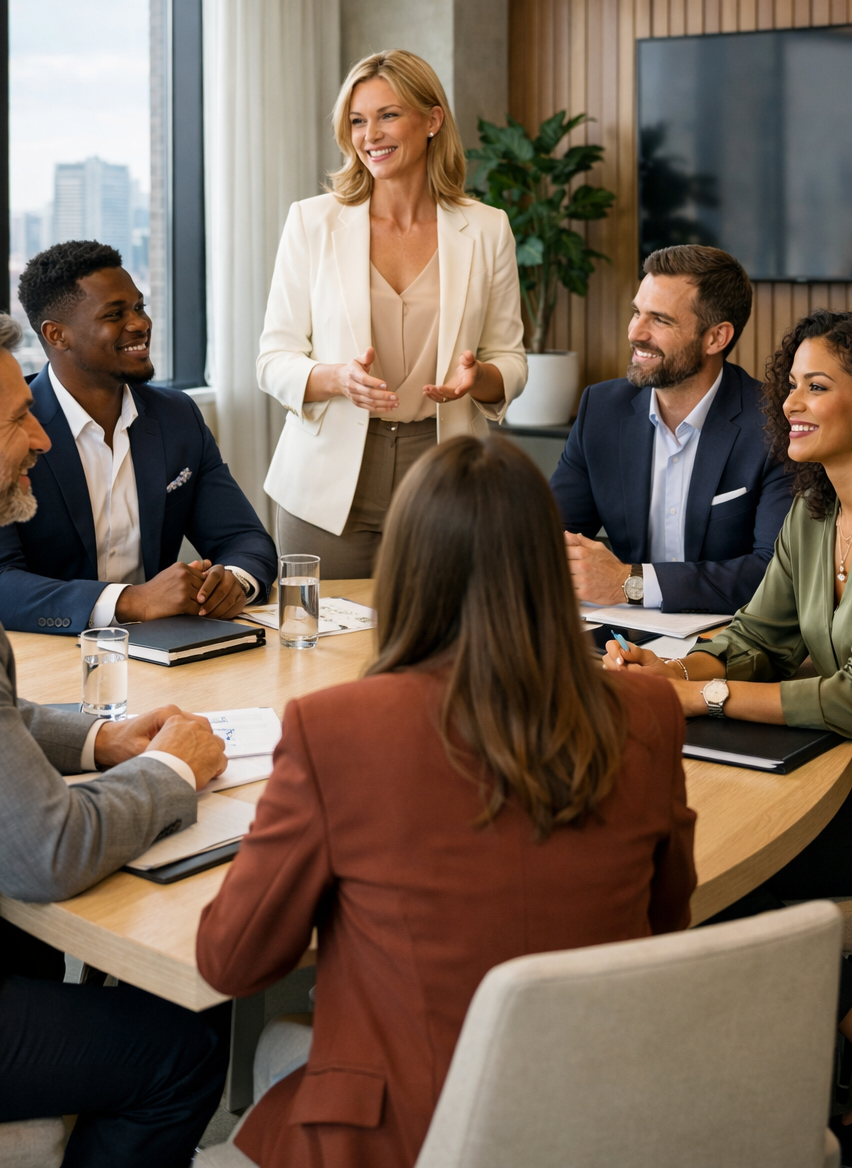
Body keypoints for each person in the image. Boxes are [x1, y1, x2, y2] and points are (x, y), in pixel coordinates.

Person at [196, 434, 696, 1168]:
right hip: (595, 1118)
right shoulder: (649, 712)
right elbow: (666, 920)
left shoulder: (335, 731)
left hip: (412, 1138)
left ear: (405, 568)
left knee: (283, 1047)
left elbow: (230, 962)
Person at [0, 309, 230, 1168]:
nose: (42, 435)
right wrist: (168, 770)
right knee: (183, 1041)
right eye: (18, 417)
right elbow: (47, 850)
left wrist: (97, 743)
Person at [601, 308, 852, 1167]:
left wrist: (713, 697)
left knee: (723, 872)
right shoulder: (815, 510)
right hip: (846, 759)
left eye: (819, 386)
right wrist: (675, 670)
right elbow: (758, 633)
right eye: (790, 386)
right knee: (675, 850)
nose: (793, 405)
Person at [256, 49, 527, 577]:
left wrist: (479, 379)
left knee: (444, 647)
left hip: (444, 468)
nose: (370, 135)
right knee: (322, 650)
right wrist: (335, 378)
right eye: (357, 120)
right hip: (325, 483)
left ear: (432, 119)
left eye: (387, 115)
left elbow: (510, 361)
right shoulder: (312, 223)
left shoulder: (488, 228)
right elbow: (273, 358)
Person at [0, 240, 277, 634]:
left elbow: (244, 538)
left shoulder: (177, 415)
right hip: (46, 650)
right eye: (115, 314)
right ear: (57, 335)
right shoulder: (3, 428)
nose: (140, 323)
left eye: (139, 307)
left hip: (161, 649)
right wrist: (131, 601)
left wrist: (233, 583)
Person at [550, 243, 794, 614]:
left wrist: (630, 583)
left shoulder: (773, 423)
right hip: (621, 631)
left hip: (731, 636)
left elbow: (775, 573)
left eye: (660, 320)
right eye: (636, 312)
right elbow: (550, 535)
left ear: (716, 337)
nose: (636, 332)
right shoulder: (601, 410)